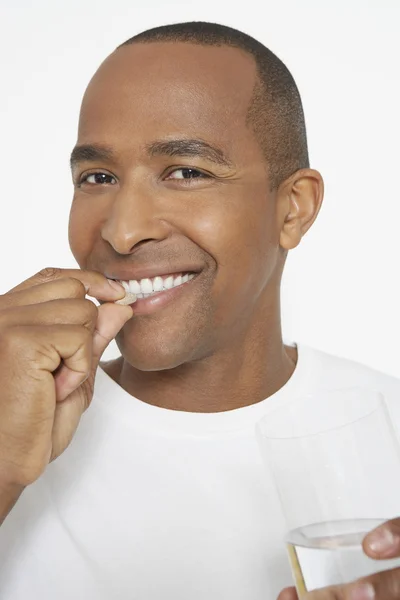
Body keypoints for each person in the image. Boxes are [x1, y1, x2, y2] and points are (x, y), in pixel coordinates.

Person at [0, 20, 399, 600]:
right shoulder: (8, 428)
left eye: (187, 172)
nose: (124, 230)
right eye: (98, 177)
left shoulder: (387, 428)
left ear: (294, 209)